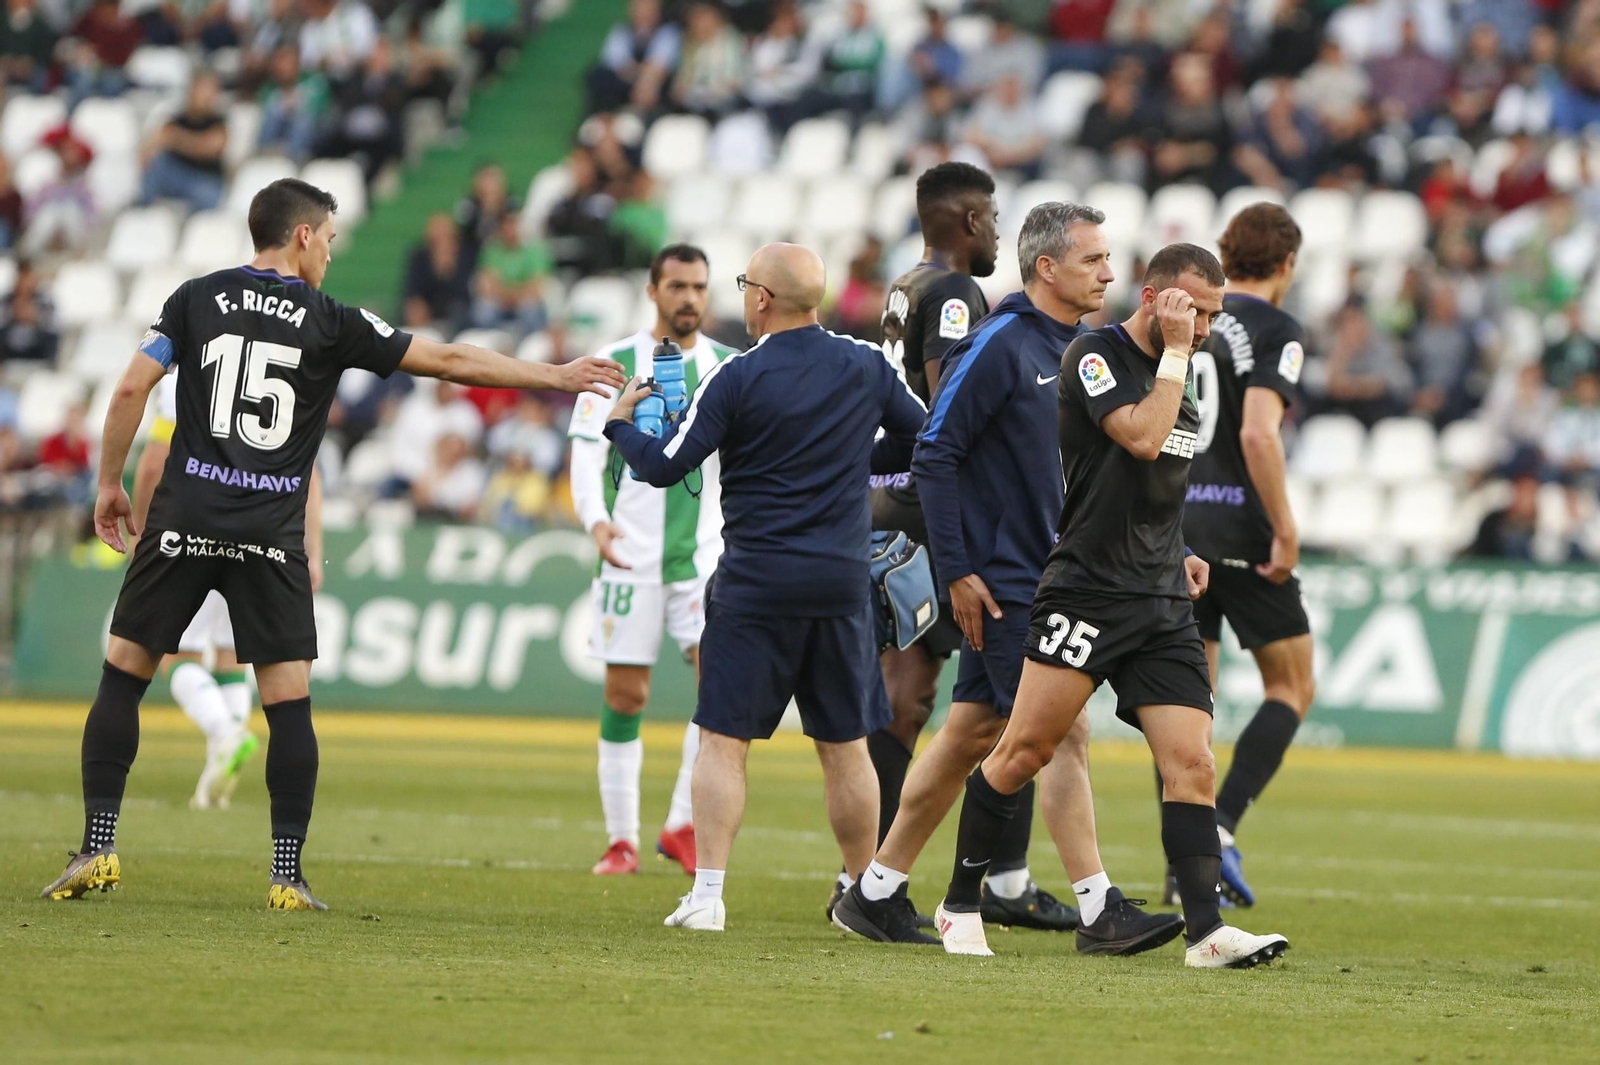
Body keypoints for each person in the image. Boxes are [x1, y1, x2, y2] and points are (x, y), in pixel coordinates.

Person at [39, 177, 625, 909]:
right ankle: (286, 873)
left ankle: (98, 846)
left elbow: (130, 390)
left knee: (124, 675)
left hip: (185, 518)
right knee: (287, 704)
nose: (332, 255)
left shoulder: (195, 297)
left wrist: (108, 486)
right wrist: (555, 376)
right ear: (304, 236)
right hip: (269, 529)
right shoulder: (330, 319)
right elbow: (447, 361)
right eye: (331, 239)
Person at [835, 203, 1184, 954]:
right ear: (1047, 266)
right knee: (1060, 733)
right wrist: (958, 571)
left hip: (1052, 574)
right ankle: (1098, 908)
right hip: (1004, 579)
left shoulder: (1084, 349)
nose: (1110, 273)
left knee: (969, 735)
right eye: (1094, 259)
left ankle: (875, 890)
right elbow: (933, 451)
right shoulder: (999, 342)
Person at [933, 243, 1291, 969]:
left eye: (1214, 314)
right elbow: (1142, 436)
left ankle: (1206, 932)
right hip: (1087, 591)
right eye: (1193, 308)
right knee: (1024, 749)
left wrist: (1181, 545)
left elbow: (1156, 487)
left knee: (1191, 761)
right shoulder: (1092, 357)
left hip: (1160, 597)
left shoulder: (1180, 369)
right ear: (1156, 296)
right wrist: (1179, 355)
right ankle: (959, 901)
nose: (1204, 325)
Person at [604, 243, 926, 932]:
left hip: (755, 582)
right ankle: (859, 892)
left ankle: (709, 894)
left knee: (724, 739)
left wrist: (619, 425)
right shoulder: (866, 364)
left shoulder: (736, 377)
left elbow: (664, 466)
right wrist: (858, 463)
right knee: (845, 745)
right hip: (840, 583)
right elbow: (921, 434)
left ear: (760, 299)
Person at [825, 162, 996, 926]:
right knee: (936, 700)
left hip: (889, 499)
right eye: (990, 217)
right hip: (932, 509)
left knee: (907, 698)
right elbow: (946, 404)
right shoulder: (956, 294)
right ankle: (878, 879)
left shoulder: (904, 285)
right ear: (965, 221)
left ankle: (865, 874)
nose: (997, 230)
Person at [566, 244, 738, 878]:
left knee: (715, 687)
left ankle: (679, 825)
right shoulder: (616, 364)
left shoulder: (728, 366)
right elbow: (587, 451)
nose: (690, 297)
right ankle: (621, 840)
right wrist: (596, 521)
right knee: (626, 693)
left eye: (699, 286)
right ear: (653, 290)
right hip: (629, 554)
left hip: (704, 560)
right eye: (678, 286)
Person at [1177, 203, 1314, 910]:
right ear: (1288, 263)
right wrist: (1284, 528)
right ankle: (1221, 825)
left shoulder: (1198, 320)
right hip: (1242, 534)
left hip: (1180, 529)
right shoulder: (1278, 329)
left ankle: (1185, 859)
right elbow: (1260, 434)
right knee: (1291, 687)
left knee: (1188, 708)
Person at [130, 372, 325, 811]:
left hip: (194, 530)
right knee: (230, 658)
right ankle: (216, 772)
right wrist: (312, 547)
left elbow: (152, 461)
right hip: (264, 536)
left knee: (175, 656)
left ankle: (225, 732)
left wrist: (143, 531)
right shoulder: (284, 370)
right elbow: (310, 475)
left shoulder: (191, 372)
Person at [142, 73, 229, 214]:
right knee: (159, 163)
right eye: (204, 90)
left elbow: (211, 148)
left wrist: (176, 139)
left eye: (212, 91)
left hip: (206, 180)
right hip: (176, 177)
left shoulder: (218, 122)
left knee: (207, 195)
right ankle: (143, 212)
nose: (208, 96)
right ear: (192, 91)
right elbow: (147, 151)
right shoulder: (176, 120)